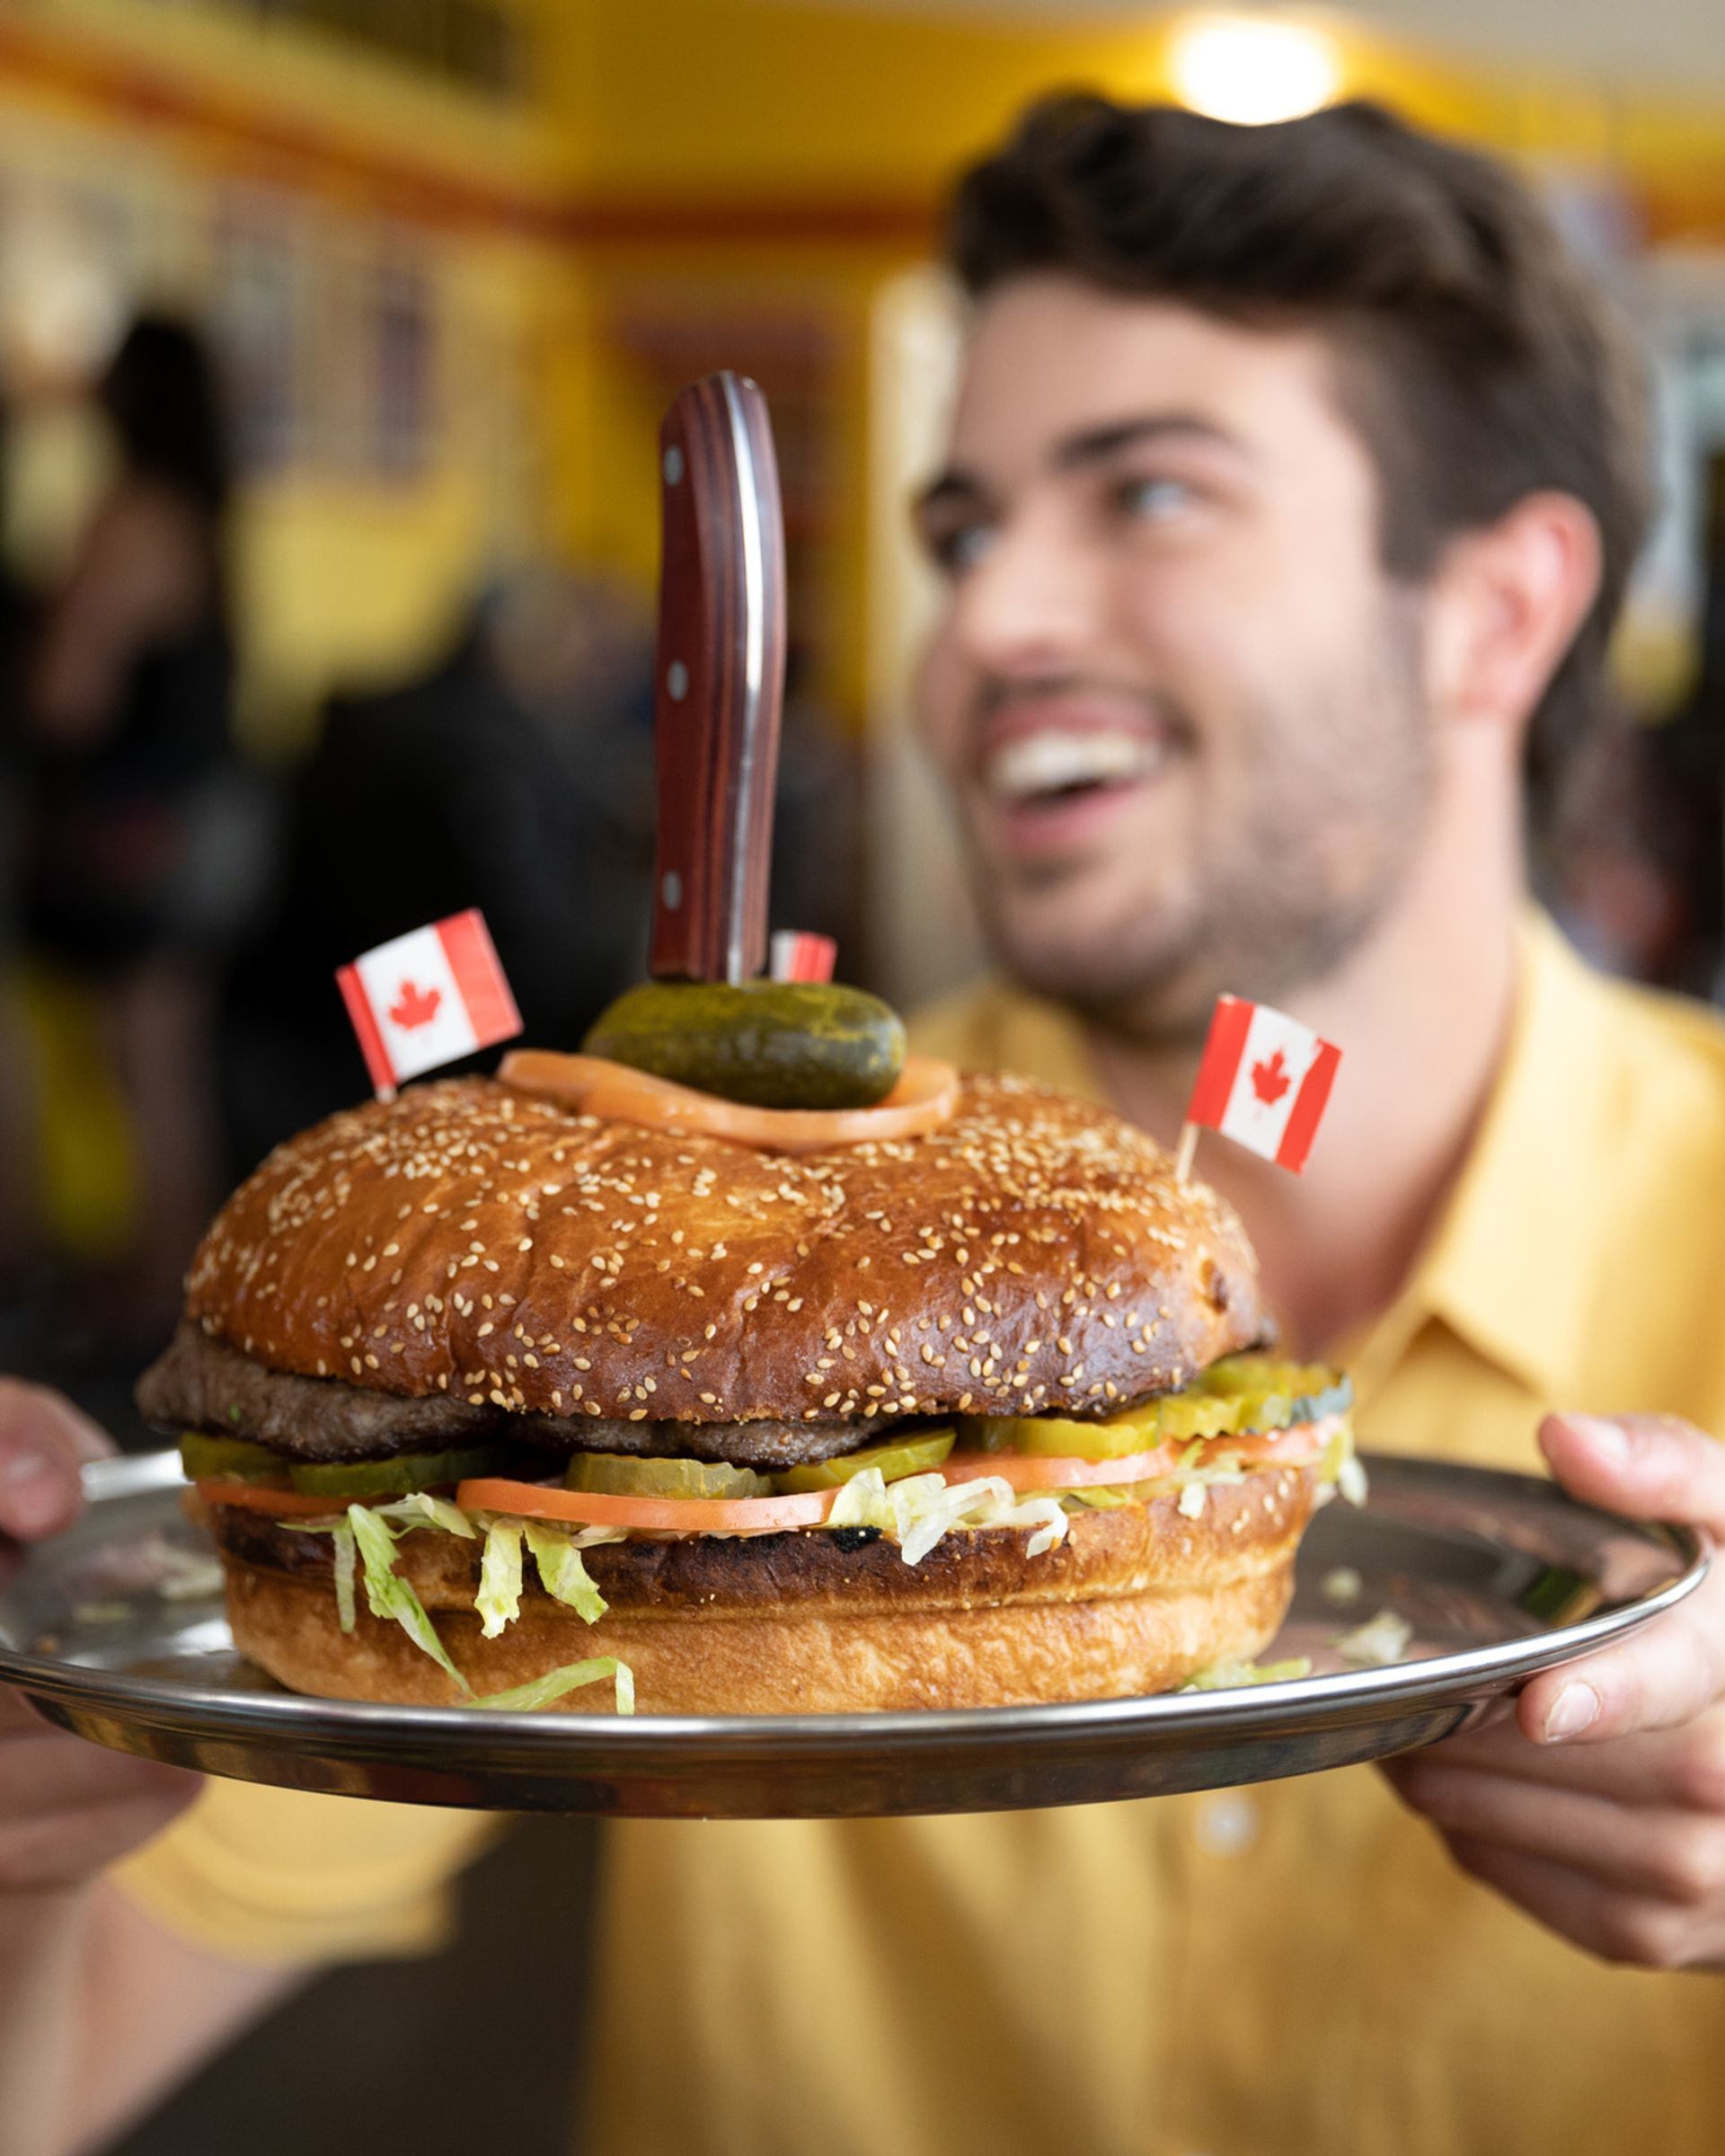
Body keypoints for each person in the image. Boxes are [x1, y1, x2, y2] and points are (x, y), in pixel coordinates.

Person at [4, 95, 1725, 2156]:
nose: (980, 631)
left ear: (1498, 609)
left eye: (1149, 495)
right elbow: (68, 2042)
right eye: (962, 533)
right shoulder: (619, 1265)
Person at [21, 314, 238, 1324]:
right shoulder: (204, 510)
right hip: (210, 821)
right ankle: (168, 1288)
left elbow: (69, 691)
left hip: (136, 826)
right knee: (166, 1060)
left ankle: (149, 1298)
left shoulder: (131, 513)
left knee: (140, 1061)